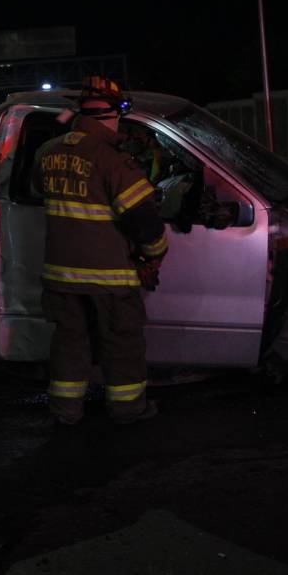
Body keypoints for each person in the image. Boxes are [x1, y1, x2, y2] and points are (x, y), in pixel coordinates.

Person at [34, 76, 168, 425]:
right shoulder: (113, 161)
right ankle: (127, 410)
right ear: (113, 113)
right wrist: (155, 254)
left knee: (69, 343)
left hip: (60, 275)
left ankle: (65, 411)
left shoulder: (47, 153)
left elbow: (36, 190)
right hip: (109, 276)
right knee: (121, 344)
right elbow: (145, 222)